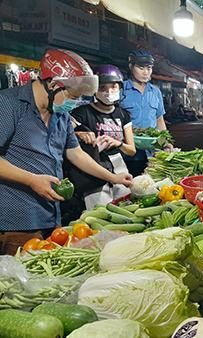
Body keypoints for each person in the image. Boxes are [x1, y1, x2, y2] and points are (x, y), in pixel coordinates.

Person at [0, 49, 132, 255]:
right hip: (16, 221)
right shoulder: (8, 104)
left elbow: (76, 153)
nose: (76, 102)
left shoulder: (60, 113)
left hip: (52, 216)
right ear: (53, 85)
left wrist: (113, 177)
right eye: (74, 96)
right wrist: (31, 180)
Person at [67, 64, 136, 211]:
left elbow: (131, 150)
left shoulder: (123, 115)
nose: (108, 91)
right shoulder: (81, 113)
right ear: (94, 90)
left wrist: (118, 143)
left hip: (119, 166)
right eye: (102, 87)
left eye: (113, 87)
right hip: (93, 168)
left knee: (124, 209)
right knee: (100, 212)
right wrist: (79, 134)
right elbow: (61, 135)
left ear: (120, 88)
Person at [120, 50, 170, 176]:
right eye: (141, 67)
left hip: (152, 154)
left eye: (149, 68)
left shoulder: (155, 92)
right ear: (131, 67)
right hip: (127, 154)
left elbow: (159, 120)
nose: (145, 72)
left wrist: (166, 142)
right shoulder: (121, 89)